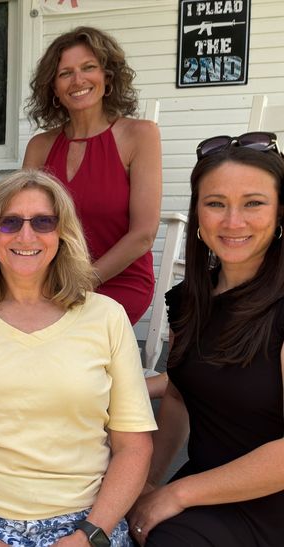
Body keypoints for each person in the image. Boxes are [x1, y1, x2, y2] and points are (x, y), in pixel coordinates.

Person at [0, 169, 156, 546]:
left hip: (82, 521)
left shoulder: (107, 317)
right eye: (9, 222)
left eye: (43, 222)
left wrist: (88, 535)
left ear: (62, 233)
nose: (26, 236)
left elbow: (134, 446)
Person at [129, 135, 284, 547]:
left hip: (271, 501)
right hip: (206, 484)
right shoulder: (187, 300)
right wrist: (147, 484)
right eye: (216, 203)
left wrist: (177, 495)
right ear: (198, 212)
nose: (233, 222)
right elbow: (179, 397)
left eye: (254, 202)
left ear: (281, 209)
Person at [23, 26, 160, 325]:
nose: (78, 80)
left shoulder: (140, 135)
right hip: (51, 284)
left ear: (107, 77)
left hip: (119, 282)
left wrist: (80, 281)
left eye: (88, 68)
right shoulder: (39, 147)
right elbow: (24, 224)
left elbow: (143, 235)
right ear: (54, 88)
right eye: (65, 73)